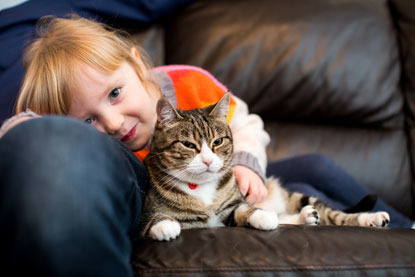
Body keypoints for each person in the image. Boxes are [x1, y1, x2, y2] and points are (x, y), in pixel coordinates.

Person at [0, 15, 413, 276]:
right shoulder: (105, 158)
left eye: (114, 94)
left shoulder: (188, 82)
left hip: (228, 175)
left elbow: (243, 120)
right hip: (180, 198)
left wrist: (248, 165)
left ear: (137, 64)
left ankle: (401, 226)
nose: (113, 123)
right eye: (87, 120)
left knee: (316, 168)